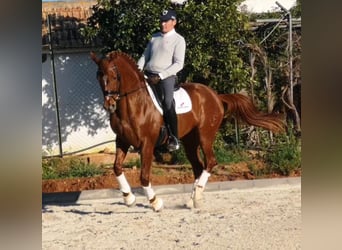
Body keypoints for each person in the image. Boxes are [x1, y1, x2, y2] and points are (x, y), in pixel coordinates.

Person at [137, 9, 186, 151]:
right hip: (148, 74)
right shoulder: (155, 37)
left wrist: (161, 76)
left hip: (166, 77)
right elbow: (145, 56)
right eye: (161, 21)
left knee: (167, 102)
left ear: (174, 22)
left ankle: (174, 138)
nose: (163, 24)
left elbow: (178, 63)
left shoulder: (179, 40)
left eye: (166, 21)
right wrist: (138, 69)